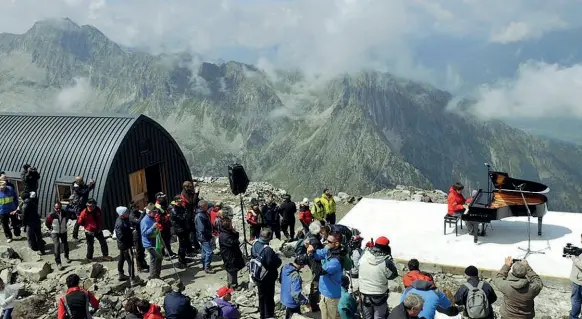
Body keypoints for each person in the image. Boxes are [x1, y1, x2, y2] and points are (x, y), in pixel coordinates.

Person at [359, 236, 398, 319]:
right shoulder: (386, 261)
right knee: (379, 316)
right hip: (379, 294)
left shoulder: (364, 254)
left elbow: (358, 265)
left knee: (367, 316)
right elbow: (393, 275)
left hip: (364, 292)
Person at [307, 231, 344, 319]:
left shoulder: (335, 262)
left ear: (337, 243)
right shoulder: (329, 249)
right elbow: (319, 254)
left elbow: (319, 271)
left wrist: (310, 255)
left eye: (329, 242)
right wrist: (311, 250)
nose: (326, 243)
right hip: (325, 292)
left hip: (331, 296)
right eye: (327, 240)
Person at [251, 228, 282, 319]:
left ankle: (262, 314)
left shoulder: (255, 244)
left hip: (257, 274)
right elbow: (274, 263)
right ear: (269, 237)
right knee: (268, 297)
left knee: (261, 295)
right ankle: (268, 315)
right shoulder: (267, 250)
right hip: (267, 277)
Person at [218, 218, 245, 288]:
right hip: (229, 255)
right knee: (232, 269)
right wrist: (237, 241)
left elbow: (234, 237)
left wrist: (234, 232)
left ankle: (231, 284)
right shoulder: (225, 235)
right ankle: (233, 285)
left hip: (231, 255)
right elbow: (233, 243)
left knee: (232, 269)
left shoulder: (226, 232)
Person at [306, 221, 325, 312]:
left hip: (312, 264)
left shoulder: (309, 236)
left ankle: (313, 302)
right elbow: (314, 253)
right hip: (315, 264)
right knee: (315, 284)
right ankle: (314, 304)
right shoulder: (315, 241)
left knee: (315, 284)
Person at [45, 201, 70, 270]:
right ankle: (58, 263)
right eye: (56, 208)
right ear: (54, 208)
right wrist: (51, 229)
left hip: (63, 231)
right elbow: (47, 223)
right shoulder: (51, 215)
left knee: (65, 244)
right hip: (55, 232)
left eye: (59, 208)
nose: (58, 210)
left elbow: (66, 219)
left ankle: (66, 256)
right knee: (57, 245)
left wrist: (64, 226)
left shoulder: (64, 213)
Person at [141, 203, 163, 280]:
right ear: (149, 212)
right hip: (149, 244)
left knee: (153, 259)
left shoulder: (152, 218)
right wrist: (153, 227)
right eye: (154, 212)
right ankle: (155, 275)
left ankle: (153, 275)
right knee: (158, 258)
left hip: (155, 242)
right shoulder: (145, 221)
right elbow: (144, 233)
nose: (156, 213)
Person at [114, 206, 136, 283]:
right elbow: (121, 236)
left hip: (122, 245)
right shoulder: (120, 223)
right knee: (131, 262)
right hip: (126, 245)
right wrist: (130, 233)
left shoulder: (123, 219)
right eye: (126, 212)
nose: (128, 213)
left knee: (122, 259)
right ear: (122, 214)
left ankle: (121, 274)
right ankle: (132, 279)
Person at [70, 176, 95, 241]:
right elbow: (84, 192)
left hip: (83, 205)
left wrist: (91, 184)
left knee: (87, 217)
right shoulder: (76, 188)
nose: (83, 181)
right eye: (81, 180)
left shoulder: (81, 185)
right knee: (79, 220)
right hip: (78, 206)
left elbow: (87, 188)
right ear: (78, 181)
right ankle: (74, 236)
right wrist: (90, 186)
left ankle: (89, 232)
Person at [170, 196, 191, 268]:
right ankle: (180, 261)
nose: (181, 200)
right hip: (179, 229)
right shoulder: (173, 210)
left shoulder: (182, 207)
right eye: (179, 200)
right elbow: (180, 218)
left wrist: (185, 215)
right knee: (182, 245)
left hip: (184, 228)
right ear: (176, 201)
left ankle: (183, 258)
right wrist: (185, 215)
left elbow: (186, 215)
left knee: (185, 244)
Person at [180, 180, 200, 252]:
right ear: (185, 187)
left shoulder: (188, 191)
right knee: (191, 231)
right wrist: (196, 193)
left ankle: (195, 245)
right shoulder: (184, 194)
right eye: (190, 187)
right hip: (188, 215)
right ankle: (192, 246)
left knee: (194, 230)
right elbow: (192, 202)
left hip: (191, 213)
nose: (191, 188)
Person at [129, 201, 149, 273]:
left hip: (141, 232)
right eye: (136, 207)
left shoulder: (138, 213)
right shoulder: (131, 215)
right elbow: (138, 222)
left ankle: (143, 263)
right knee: (138, 250)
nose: (138, 208)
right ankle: (139, 266)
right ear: (132, 208)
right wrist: (143, 212)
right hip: (136, 233)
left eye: (138, 207)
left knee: (142, 249)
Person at [154, 193, 175, 259]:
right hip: (161, 227)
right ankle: (164, 254)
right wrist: (167, 217)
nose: (164, 198)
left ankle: (169, 251)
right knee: (163, 241)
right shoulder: (157, 207)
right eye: (163, 197)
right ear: (158, 198)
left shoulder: (163, 204)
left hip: (166, 225)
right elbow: (158, 219)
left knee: (167, 239)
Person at [195, 200, 214, 273]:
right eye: (206, 206)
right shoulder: (200, 216)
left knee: (204, 252)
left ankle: (204, 265)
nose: (207, 207)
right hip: (204, 237)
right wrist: (210, 234)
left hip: (204, 236)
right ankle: (207, 267)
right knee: (209, 252)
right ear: (202, 206)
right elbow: (201, 229)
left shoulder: (203, 213)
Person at [0, 177, 20, 243]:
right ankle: (9, 236)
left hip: (12, 209)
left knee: (15, 223)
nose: (2, 189)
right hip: (2, 211)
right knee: (5, 225)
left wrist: (16, 207)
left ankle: (17, 233)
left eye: (3, 187)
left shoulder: (10, 189)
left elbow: (15, 198)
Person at [570, 233, 582, 319]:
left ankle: (573, 317)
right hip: (578, 280)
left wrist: (574, 257)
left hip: (579, 282)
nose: (581, 241)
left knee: (576, 301)